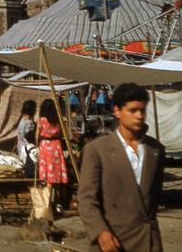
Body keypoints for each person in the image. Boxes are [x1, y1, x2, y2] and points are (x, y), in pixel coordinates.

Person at [79, 83, 165, 252]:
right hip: (113, 241)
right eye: (132, 111)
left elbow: (152, 198)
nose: (139, 116)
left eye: (142, 110)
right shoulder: (97, 149)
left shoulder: (155, 150)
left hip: (148, 241)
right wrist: (100, 232)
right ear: (117, 111)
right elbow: (87, 198)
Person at [36, 98, 68, 209]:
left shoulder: (41, 120)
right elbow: (63, 133)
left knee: (47, 177)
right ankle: (58, 203)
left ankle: (47, 202)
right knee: (57, 176)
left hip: (45, 146)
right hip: (56, 146)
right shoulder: (58, 120)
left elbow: (37, 136)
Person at [16, 100, 37, 165]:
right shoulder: (29, 123)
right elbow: (30, 137)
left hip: (21, 146)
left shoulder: (22, 120)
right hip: (27, 148)